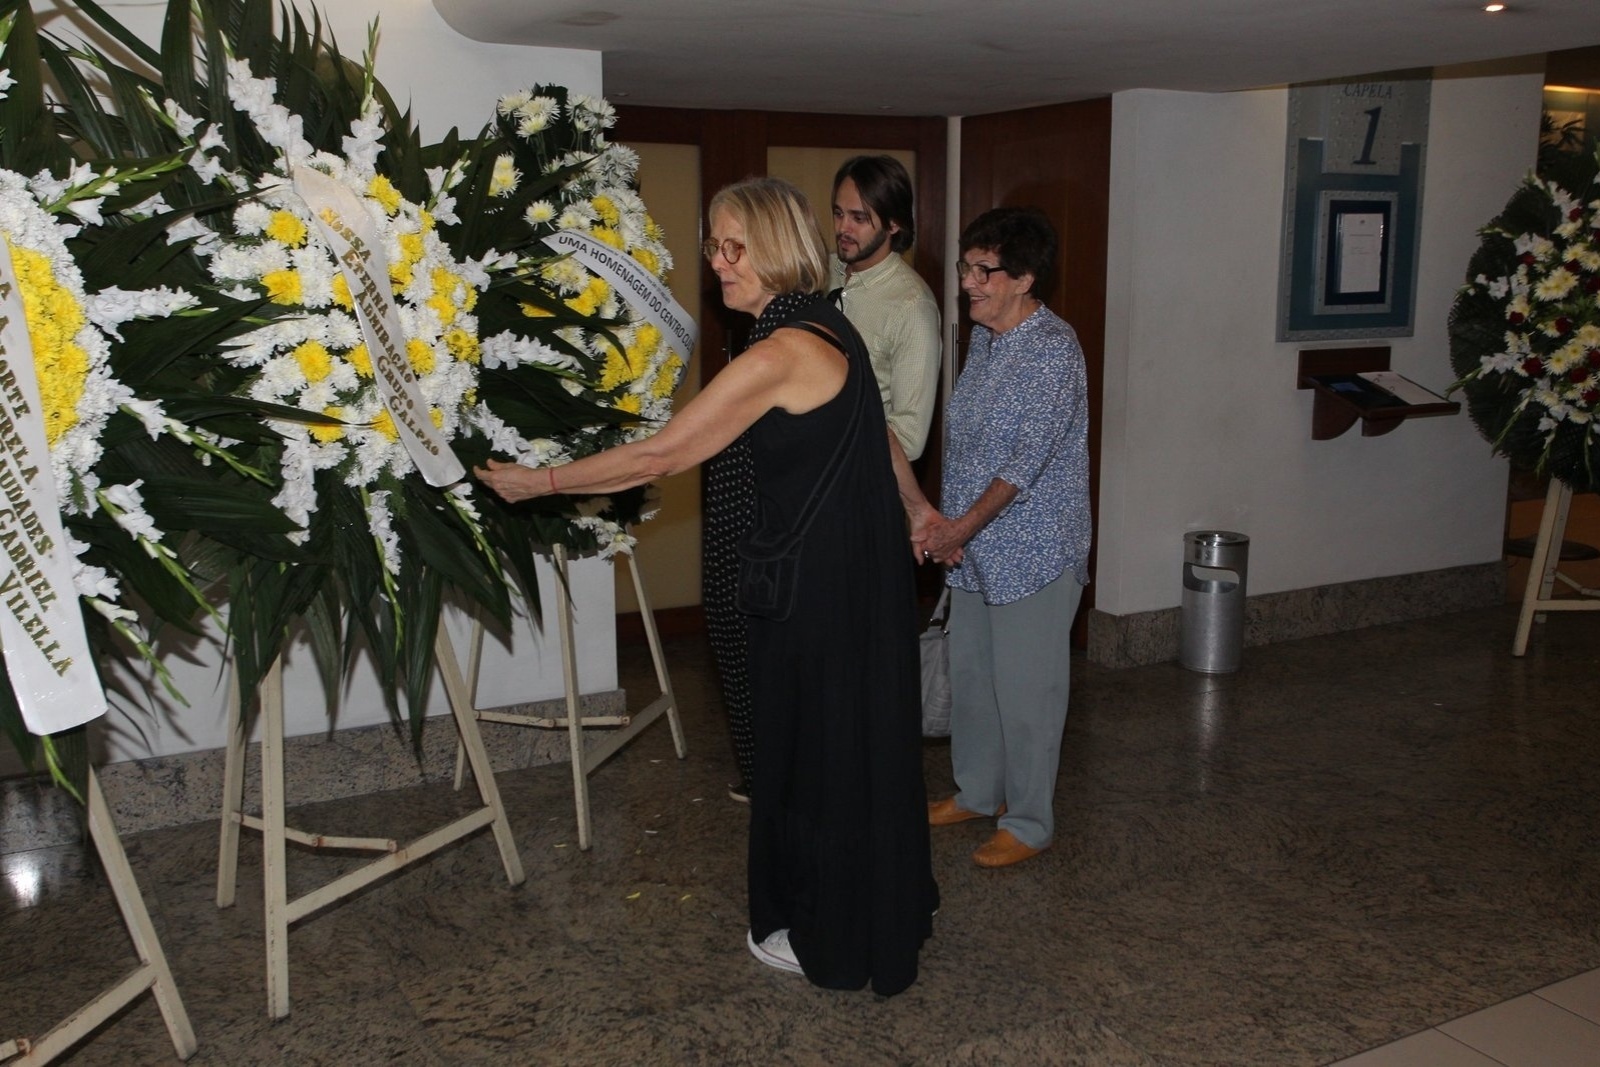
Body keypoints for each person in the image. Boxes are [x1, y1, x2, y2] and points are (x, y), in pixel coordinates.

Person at [477, 177, 938, 995]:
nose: (717, 263)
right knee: (845, 750)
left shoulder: (781, 350)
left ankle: (831, 928)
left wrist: (537, 484)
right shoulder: (828, 325)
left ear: (773, 246)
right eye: (712, 247)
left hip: (817, 592)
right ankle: (867, 908)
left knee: (812, 760)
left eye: (733, 247)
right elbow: (879, 445)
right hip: (851, 581)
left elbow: (662, 455)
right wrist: (919, 512)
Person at [900, 206, 1090, 870]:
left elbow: (1020, 467)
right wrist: (952, 535)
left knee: (1028, 689)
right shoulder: (985, 339)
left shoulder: (1052, 348)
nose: (969, 282)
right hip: (975, 551)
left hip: (1035, 552)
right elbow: (970, 449)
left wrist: (956, 528)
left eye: (985, 270)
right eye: (966, 266)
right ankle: (980, 791)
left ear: (1025, 277)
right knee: (974, 677)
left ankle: (1031, 819)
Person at [829, 155, 942, 461]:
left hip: (861, 484)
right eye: (839, 213)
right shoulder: (820, 273)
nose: (843, 228)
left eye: (859, 218)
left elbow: (909, 438)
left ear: (894, 223)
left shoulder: (912, 306)